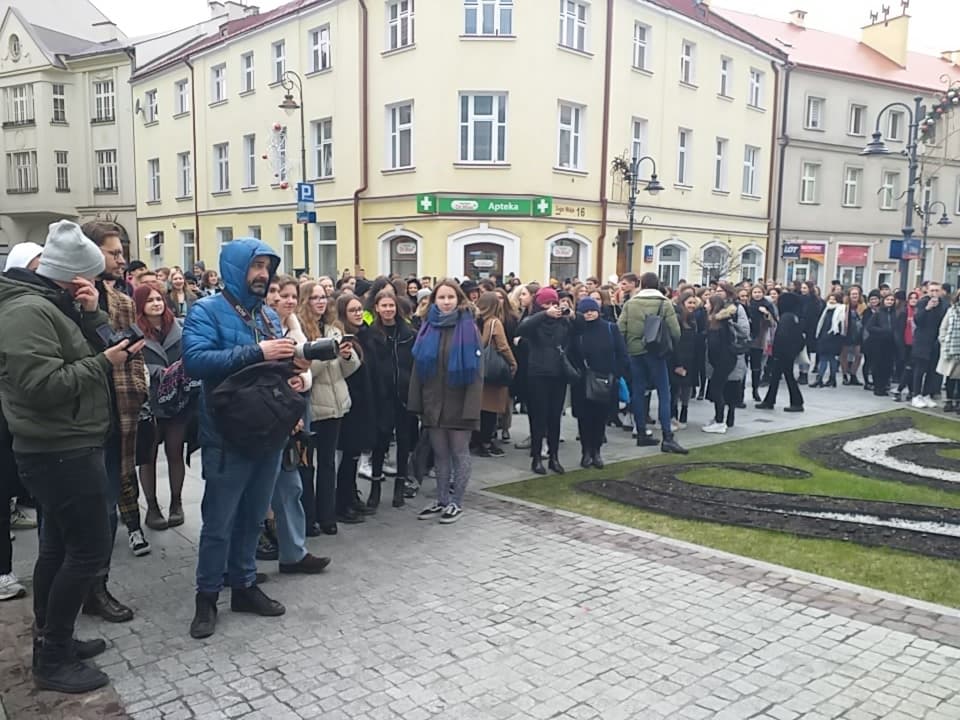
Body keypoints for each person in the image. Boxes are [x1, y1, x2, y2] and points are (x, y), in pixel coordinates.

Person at [0, 220, 146, 693]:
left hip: (67, 443)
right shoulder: (27, 313)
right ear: (69, 273)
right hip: (57, 448)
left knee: (59, 548)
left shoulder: (51, 306)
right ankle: (53, 658)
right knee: (87, 550)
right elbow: (41, 386)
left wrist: (89, 316)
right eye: (88, 275)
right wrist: (106, 363)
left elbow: (93, 349)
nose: (96, 283)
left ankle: (52, 637)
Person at [183, 238, 303, 640]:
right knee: (219, 522)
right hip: (226, 435)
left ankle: (244, 586)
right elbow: (195, 362)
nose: (262, 275)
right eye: (255, 266)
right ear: (236, 268)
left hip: (266, 434)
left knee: (253, 517)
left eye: (267, 267)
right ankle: (207, 597)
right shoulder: (206, 310)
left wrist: (294, 373)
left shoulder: (268, 315)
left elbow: (272, 367)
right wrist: (257, 352)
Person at [82, 221, 150, 626]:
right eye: (114, 252)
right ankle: (81, 590)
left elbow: (130, 352)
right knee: (85, 511)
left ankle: (96, 586)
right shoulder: (79, 299)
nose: (122, 259)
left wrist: (138, 385)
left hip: (119, 408)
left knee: (107, 503)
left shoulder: (117, 295)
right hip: (88, 413)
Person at [409, 280, 483, 524]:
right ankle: (441, 499)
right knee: (440, 454)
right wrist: (417, 402)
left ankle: (456, 502)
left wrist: (472, 408)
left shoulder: (468, 327)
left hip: (460, 402)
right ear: (434, 301)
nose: (446, 301)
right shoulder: (428, 326)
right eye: (441, 297)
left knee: (459, 453)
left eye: (451, 297)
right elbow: (418, 367)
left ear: (459, 299)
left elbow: (477, 372)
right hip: (433, 403)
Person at [299, 281, 360, 533]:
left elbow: (348, 370)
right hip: (312, 406)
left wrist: (346, 355)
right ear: (306, 301)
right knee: (307, 466)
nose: (321, 302)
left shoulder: (334, 329)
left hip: (336, 404)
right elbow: (306, 372)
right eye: (315, 298)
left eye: (323, 297)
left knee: (328, 463)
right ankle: (309, 517)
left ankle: (327, 516)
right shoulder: (301, 331)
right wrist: (327, 353)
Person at [134, 285, 196, 530]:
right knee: (147, 457)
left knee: (175, 451)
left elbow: (189, 355)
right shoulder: (134, 331)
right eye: (150, 300)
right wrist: (156, 372)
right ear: (141, 305)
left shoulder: (178, 328)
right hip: (148, 402)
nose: (156, 304)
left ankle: (176, 503)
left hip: (176, 401)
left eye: (159, 299)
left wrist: (179, 371)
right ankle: (151, 506)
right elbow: (132, 363)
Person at [618, 273, 687, 454]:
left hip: (635, 352)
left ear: (641, 284)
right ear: (657, 285)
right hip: (656, 352)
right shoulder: (664, 304)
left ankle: (641, 432)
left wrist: (630, 345)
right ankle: (667, 437)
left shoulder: (631, 304)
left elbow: (620, 329)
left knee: (638, 391)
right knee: (664, 393)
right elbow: (676, 332)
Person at [365, 289, 416, 508]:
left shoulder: (408, 333)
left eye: (391, 306)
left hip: (404, 396)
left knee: (404, 441)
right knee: (380, 442)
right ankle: (375, 488)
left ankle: (399, 487)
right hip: (381, 396)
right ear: (376, 308)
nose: (388, 309)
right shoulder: (371, 334)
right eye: (384, 306)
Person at [518, 287, 572, 474]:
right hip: (538, 374)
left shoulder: (562, 323)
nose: (551, 307)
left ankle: (554, 457)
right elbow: (522, 328)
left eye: (553, 303)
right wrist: (543, 315)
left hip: (558, 375)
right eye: (546, 304)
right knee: (538, 418)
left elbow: (579, 326)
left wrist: (570, 314)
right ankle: (536, 457)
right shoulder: (534, 322)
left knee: (554, 418)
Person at [569, 297, 628, 468]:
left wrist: (615, 374)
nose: (589, 314)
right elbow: (571, 354)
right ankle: (586, 451)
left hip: (605, 380)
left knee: (600, 417)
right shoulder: (577, 331)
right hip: (582, 381)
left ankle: (597, 451)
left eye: (592, 310)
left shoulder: (610, 328)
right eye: (585, 311)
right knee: (584, 418)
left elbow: (622, 353)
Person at [475, 291, 517, 457]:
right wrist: (513, 363)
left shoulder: (476, 320)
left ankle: (478, 441)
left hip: (479, 369)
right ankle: (486, 442)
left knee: (480, 409)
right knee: (491, 410)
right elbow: (503, 346)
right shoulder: (494, 322)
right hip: (493, 370)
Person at [702, 293, 751, 433]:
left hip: (723, 361)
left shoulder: (719, 324)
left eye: (707, 303)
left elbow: (715, 345)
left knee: (717, 390)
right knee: (718, 390)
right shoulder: (719, 322)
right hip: (725, 360)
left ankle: (719, 422)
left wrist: (715, 361)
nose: (705, 306)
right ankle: (719, 419)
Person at [756, 291, 805, 412]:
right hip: (789, 352)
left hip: (783, 353)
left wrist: (777, 351)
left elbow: (781, 336)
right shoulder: (794, 317)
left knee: (787, 377)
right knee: (776, 377)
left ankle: (797, 402)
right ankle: (769, 400)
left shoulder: (786, 318)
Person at [811, 292, 845, 388]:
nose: (831, 300)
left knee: (830, 358)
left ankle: (826, 379)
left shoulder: (840, 310)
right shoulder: (826, 309)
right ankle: (825, 379)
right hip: (823, 337)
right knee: (824, 358)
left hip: (834, 338)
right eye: (830, 298)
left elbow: (840, 325)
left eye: (834, 299)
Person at [937, 290, 960, 412]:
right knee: (950, 378)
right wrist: (944, 341)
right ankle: (949, 401)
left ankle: (959, 402)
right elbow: (943, 328)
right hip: (951, 350)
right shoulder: (951, 311)